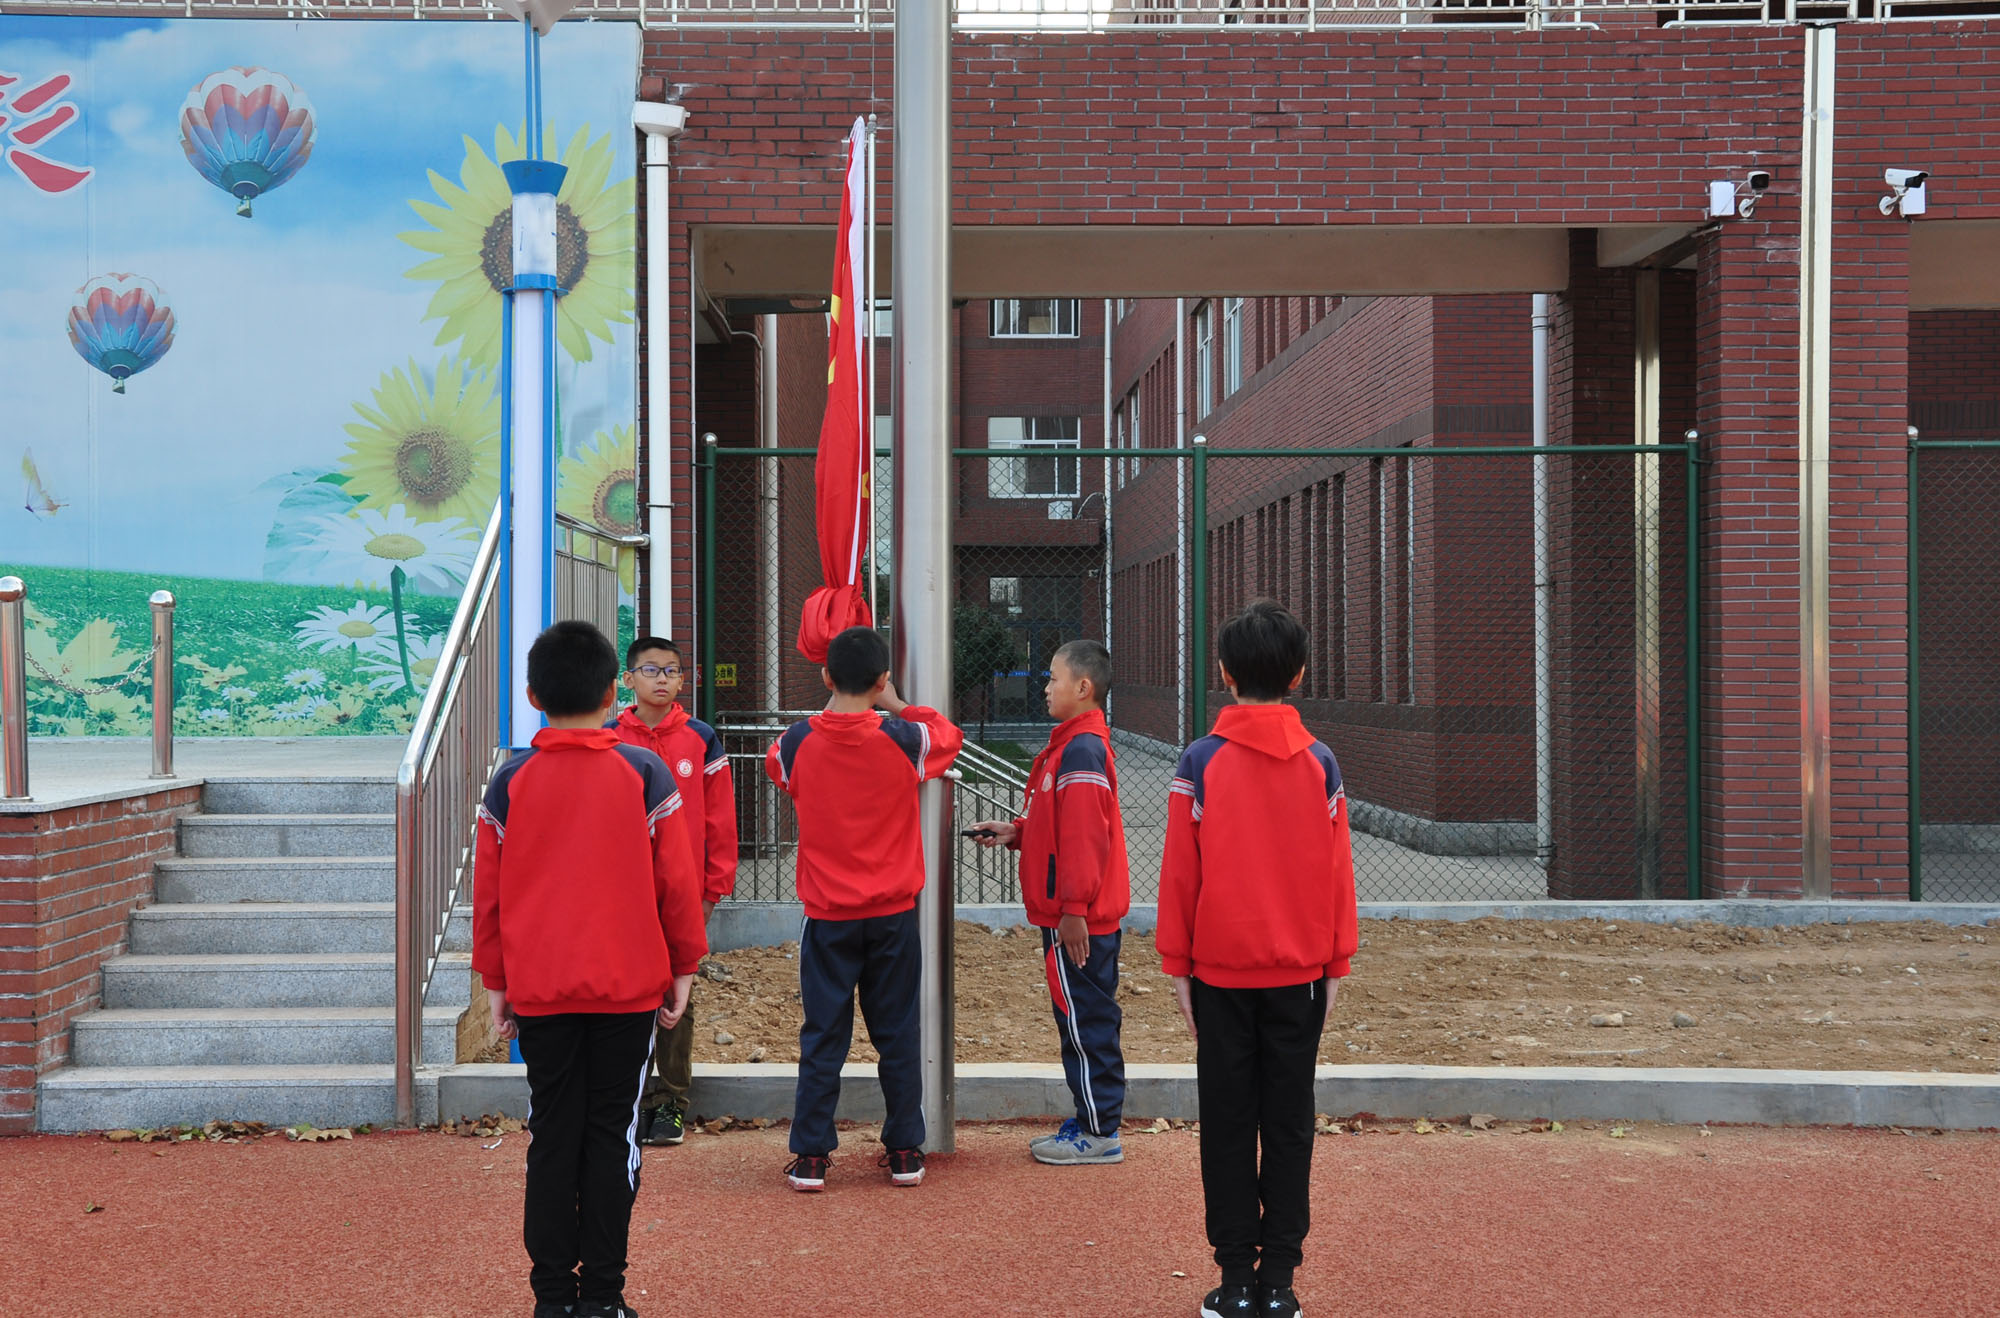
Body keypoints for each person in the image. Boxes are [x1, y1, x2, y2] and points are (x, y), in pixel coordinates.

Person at [473, 620, 709, 1318]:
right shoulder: (645, 773)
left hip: (541, 988)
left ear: (531, 694)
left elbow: (490, 896)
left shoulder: (509, 782)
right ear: (614, 692)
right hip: (627, 990)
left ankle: (552, 1301)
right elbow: (677, 882)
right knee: (612, 1138)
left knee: (552, 1136)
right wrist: (684, 966)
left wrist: (495, 982)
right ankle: (602, 1299)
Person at [1156, 600, 1358, 1318]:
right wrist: (1336, 962)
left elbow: (1182, 871)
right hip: (1299, 972)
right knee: (1291, 1122)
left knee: (1230, 1121)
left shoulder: (1200, 761)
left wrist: (1176, 964)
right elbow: (1339, 872)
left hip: (1220, 972)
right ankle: (1281, 1284)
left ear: (1224, 674)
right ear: (1299, 675)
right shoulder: (1320, 763)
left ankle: (1235, 1277)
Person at [764, 625, 963, 1193]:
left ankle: (810, 1156)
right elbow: (947, 734)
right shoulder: (904, 739)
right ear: (880, 681)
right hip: (893, 913)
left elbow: (777, 770)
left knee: (823, 1033)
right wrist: (895, 701)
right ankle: (905, 1150)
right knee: (898, 1031)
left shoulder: (795, 743)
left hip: (828, 916)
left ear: (826, 677)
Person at [969, 638, 1130, 1165]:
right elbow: (1060, 825)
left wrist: (1074, 909)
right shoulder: (1071, 744)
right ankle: (1093, 1119)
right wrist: (1017, 831)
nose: (1045, 687)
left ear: (1083, 688)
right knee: (1082, 1016)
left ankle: (1099, 1131)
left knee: (1084, 1020)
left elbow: (1085, 836)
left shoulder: (1080, 748)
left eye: (1054, 678)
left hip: (1077, 915)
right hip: (1074, 911)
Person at [608, 635, 739, 1149]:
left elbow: (721, 821)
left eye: (672, 670)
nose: (662, 679)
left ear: (685, 680)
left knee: (676, 995)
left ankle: (672, 1102)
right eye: (650, 669)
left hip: (683, 895)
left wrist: (713, 888)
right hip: (621, 894)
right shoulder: (611, 737)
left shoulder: (701, 738)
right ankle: (629, 1099)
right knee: (624, 994)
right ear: (628, 679)